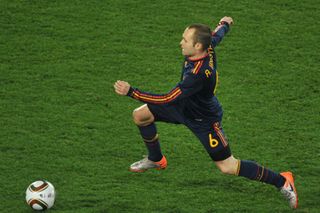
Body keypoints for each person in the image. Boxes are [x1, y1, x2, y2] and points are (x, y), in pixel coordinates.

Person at [114, 16, 298, 209]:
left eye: (185, 40)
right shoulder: (206, 48)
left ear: (198, 46)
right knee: (141, 116)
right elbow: (215, 37)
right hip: (183, 105)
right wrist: (224, 24)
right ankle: (156, 159)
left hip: (203, 119)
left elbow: (167, 98)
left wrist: (131, 92)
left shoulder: (197, 75)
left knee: (227, 166)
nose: (180, 43)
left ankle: (283, 181)